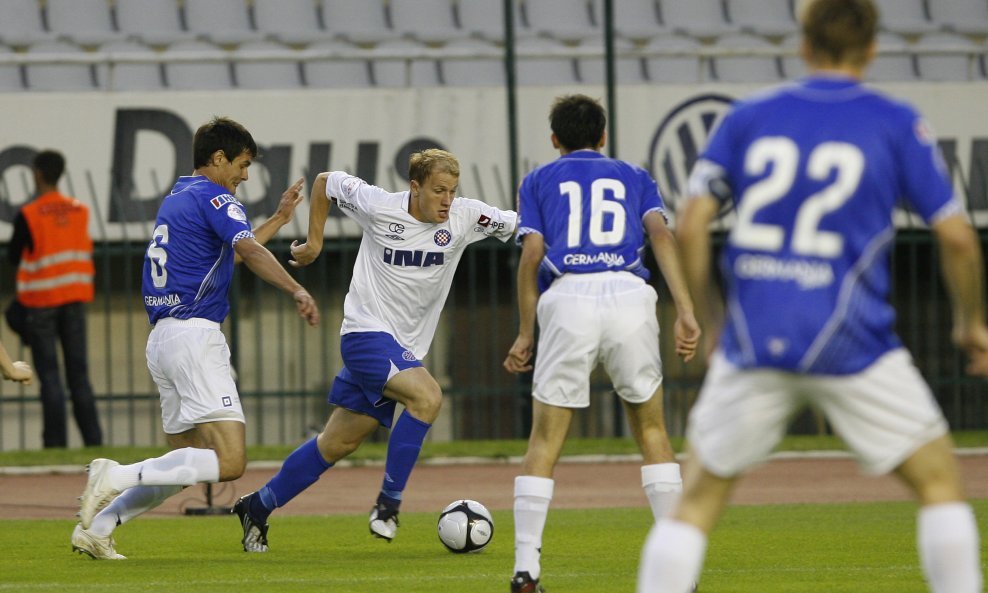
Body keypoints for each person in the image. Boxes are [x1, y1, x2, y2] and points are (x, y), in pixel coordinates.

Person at [638, 2, 988, 592]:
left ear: (802, 45)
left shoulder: (750, 116)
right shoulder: (894, 121)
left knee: (696, 502)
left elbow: (693, 223)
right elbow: (956, 236)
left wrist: (715, 319)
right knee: (937, 484)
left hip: (756, 345)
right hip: (856, 344)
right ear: (873, 48)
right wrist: (970, 324)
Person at [232, 148, 517, 553]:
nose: (447, 200)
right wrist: (314, 242)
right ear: (414, 187)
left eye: (452, 191)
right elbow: (324, 183)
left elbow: (523, 229)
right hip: (365, 336)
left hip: (401, 351)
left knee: (337, 443)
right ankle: (387, 505)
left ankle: (256, 506)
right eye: (438, 191)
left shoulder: (466, 216)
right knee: (428, 397)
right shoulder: (380, 206)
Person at [71, 116, 320, 560]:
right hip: (194, 338)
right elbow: (247, 250)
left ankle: (99, 527)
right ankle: (115, 475)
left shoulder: (180, 195)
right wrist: (296, 287)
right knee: (230, 463)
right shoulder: (217, 197)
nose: (245, 176)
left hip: (164, 340)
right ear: (219, 158)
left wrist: (281, 219)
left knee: (184, 463)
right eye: (242, 165)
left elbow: (231, 255)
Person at [502, 95, 701, 593]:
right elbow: (660, 235)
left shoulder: (537, 180)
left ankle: (526, 570)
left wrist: (526, 331)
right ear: (603, 136)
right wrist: (686, 311)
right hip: (631, 297)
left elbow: (531, 256)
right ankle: (676, 574)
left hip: (568, 298)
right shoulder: (635, 176)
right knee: (653, 431)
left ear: (554, 140)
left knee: (545, 441)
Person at [8, 150, 101, 448]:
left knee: (50, 378)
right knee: (80, 377)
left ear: (37, 174)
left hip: (41, 304)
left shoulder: (29, 214)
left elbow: (13, 255)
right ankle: (95, 444)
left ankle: (55, 445)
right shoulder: (80, 210)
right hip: (74, 301)